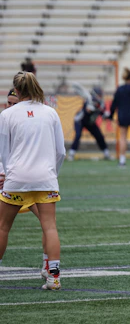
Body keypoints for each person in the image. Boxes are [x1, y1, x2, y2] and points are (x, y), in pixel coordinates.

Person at [0, 72, 65, 290]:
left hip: (16, 178)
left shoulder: (7, 115)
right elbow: (61, 152)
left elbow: (3, 152)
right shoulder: (50, 113)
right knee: (50, 227)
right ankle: (54, 277)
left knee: (3, 228)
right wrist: (52, 173)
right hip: (46, 178)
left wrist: (8, 173)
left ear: (16, 91)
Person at [1, 88, 50, 278]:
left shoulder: (28, 121)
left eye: (15, 103)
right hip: (10, 181)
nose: (12, 107)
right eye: (9, 103)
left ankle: (48, 265)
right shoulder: (5, 118)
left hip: (21, 181)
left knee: (47, 224)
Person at [68, 86, 111, 161]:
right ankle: (71, 154)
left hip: (90, 122)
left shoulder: (100, 103)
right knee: (78, 136)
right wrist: (91, 109)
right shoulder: (89, 101)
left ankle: (106, 153)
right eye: (99, 94)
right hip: (80, 120)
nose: (100, 96)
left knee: (99, 136)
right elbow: (86, 112)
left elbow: (102, 113)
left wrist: (105, 115)